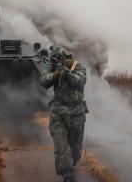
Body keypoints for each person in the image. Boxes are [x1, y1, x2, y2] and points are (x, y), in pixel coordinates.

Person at [40, 46, 89, 182]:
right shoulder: (52, 65)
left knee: (75, 150)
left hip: (77, 114)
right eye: (55, 58)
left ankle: (70, 164)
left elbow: (81, 82)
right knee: (61, 147)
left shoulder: (77, 65)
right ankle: (68, 175)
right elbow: (43, 81)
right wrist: (56, 74)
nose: (57, 60)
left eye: (60, 58)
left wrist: (67, 72)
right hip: (58, 114)